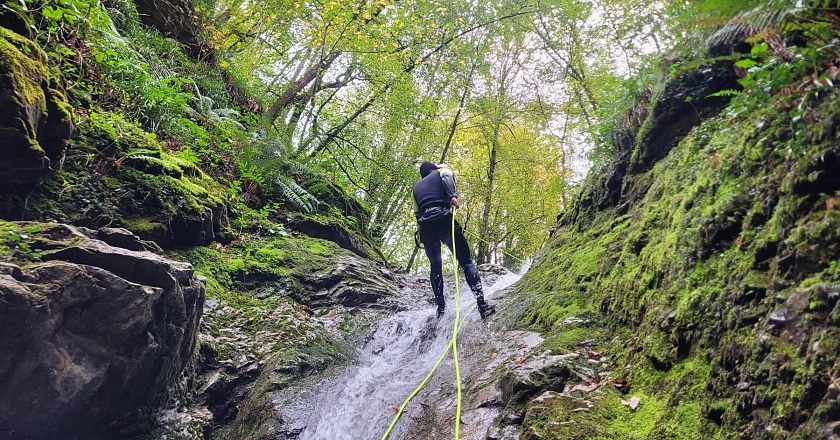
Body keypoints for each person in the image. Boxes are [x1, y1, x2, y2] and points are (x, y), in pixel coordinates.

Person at [412, 161, 496, 319]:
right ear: (433, 168)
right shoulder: (441, 171)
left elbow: (417, 214)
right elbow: (447, 178)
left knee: (435, 267)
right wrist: (452, 196)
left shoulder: (416, 188)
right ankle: (482, 305)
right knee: (466, 262)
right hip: (443, 219)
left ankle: (441, 309)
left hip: (426, 227)